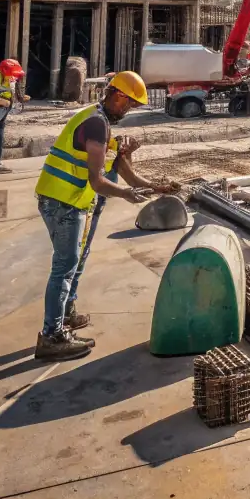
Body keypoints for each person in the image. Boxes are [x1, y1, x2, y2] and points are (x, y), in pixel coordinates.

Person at [33, 70, 177, 361]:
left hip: (68, 201)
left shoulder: (100, 121)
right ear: (119, 95)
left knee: (76, 259)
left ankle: (66, 314)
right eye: (131, 104)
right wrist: (126, 195)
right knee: (65, 266)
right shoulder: (97, 124)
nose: (131, 111)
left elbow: (121, 169)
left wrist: (151, 185)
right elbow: (98, 181)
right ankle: (52, 336)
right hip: (62, 202)